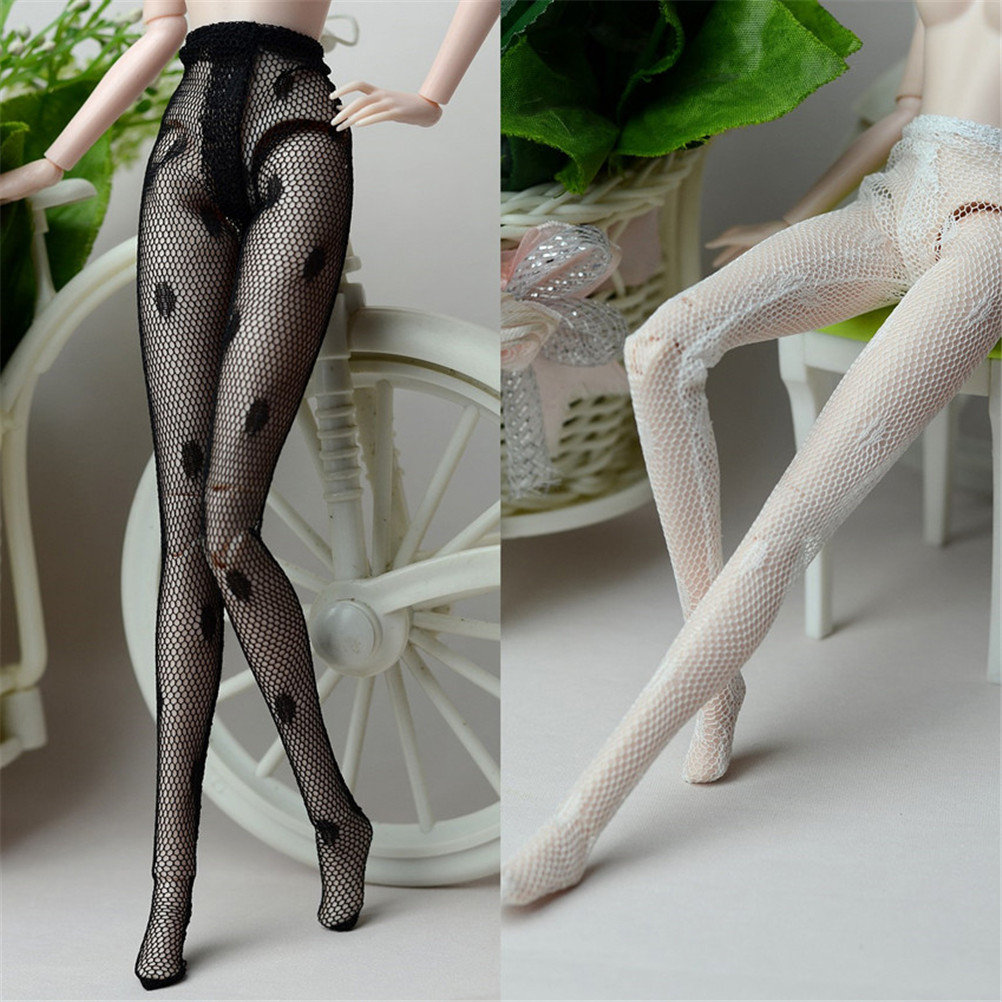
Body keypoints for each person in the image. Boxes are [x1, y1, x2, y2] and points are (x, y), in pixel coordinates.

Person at [1, 0, 497, 988]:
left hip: (298, 135)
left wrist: (432, 96)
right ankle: (171, 887)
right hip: (184, 152)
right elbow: (161, 27)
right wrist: (50, 164)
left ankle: (332, 816)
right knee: (185, 541)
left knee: (226, 529)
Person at [502, 0, 1001, 907]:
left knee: (785, 526)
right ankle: (717, 680)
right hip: (900, 194)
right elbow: (905, 109)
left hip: (987, 227)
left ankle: (580, 817)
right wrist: (793, 218)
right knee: (660, 348)